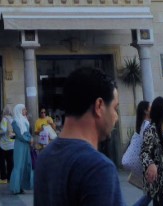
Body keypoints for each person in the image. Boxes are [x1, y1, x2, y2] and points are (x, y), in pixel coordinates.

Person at [33, 66, 124, 206]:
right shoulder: (98, 168)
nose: (116, 117)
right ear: (99, 106)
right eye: (115, 108)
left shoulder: (44, 157)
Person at [139, 97, 163, 206]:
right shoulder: (151, 130)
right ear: (160, 111)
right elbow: (144, 152)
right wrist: (150, 164)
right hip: (159, 182)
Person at [7, 104, 32, 195]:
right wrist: (29, 139)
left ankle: (21, 186)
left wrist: (29, 139)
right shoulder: (15, 121)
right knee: (18, 165)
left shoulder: (24, 120)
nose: (25, 111)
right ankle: (15, 187)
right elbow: (20, 135)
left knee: (26, 164)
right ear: (19, 110)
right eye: (23, 110)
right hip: (20, 144)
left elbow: (27, 132)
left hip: (25, 144)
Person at [0, 105, 15, 184]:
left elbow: (3, 130)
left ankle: (3, 178)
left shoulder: (4, 119)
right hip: (12, 143)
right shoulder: (13, 119)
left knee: (1, 161)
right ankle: (10, 177)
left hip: (4, 144)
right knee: (10, 162)